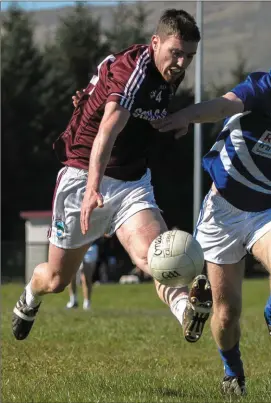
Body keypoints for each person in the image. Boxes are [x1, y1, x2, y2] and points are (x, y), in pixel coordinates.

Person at [152, 26, 271, 395]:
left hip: (269, 208)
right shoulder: (258, 89)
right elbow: (224, 106)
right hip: (222, 212)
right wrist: (184, 116)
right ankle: (232, 373)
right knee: (226, 313)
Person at [12, 9, 212, 344]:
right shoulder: (135, 71)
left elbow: (123, 103)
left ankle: (186, 312)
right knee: (57, 279)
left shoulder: (165, 72)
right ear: (155, 43)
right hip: (82, 175)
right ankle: (31, 295)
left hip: (131, 181)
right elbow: (107, 129)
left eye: (189, 56)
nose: (181, 63)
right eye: (175, 53)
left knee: (156, 256)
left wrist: (171, 125)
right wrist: (92, 188)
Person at [66, 241, 99, 310]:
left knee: (86, 276)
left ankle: (86, 303)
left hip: (90, 246)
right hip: (74, 245)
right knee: (71, 275)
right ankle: (73, 301)